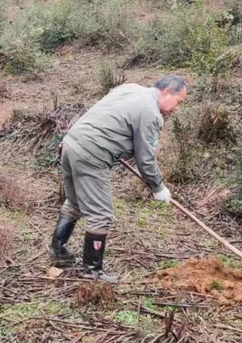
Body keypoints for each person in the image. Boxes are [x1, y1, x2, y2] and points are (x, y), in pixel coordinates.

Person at [50, 75, 189, 282]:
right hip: (92, 153)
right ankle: (93, 271)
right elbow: (146, 160)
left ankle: (58, 250)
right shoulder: (150, 113)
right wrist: (158, 187)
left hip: (72, 142)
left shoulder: (130, 88)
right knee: (101, 214)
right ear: (167, 92)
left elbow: (107, 113)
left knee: (75, 202)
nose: (176, 108)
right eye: (179, 102)